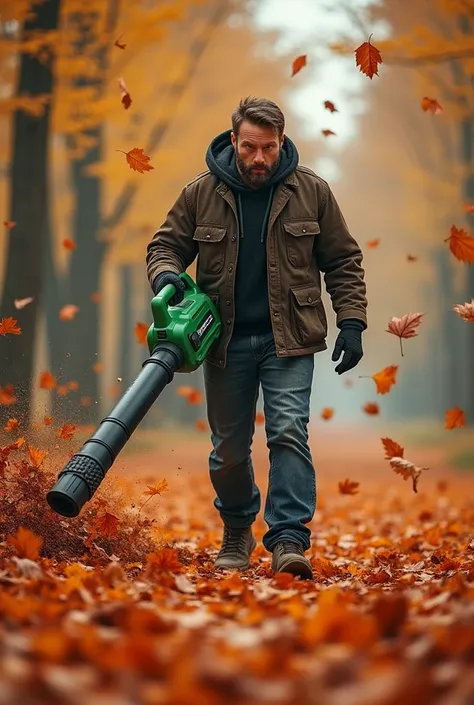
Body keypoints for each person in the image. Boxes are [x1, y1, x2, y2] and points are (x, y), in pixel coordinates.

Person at [146, 96, 367, 580]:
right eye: (250, 147)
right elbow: (165, 246)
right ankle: (237, 525)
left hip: (289, 338)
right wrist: (166, 276)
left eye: (269, 147)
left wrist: (351, 321)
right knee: (228, 448)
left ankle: (288, 539)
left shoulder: (312, 192)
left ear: (281, 142)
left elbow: (343, 260)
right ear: (234, 142)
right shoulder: (200, 193)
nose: (260, 158)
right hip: (222, 342)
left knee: (288, 431)